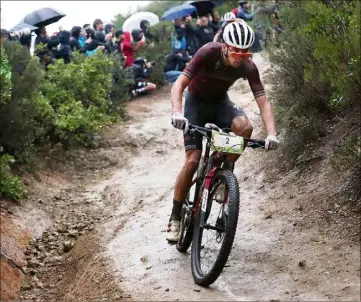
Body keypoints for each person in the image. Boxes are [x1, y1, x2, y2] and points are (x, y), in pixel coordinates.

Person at [166, 21, 280, 242]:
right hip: (195, 105)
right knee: (192, 161)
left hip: (219, 103)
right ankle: (175, 217)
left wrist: (272, 134)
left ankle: (224, 169)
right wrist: (177, 112)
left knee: (245, 127)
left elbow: (263, 102)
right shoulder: (208, 51)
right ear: (225, 47)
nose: (240, 57)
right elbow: (179, 84)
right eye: (236, 52)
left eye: (245, 52)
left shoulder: (248, 65)